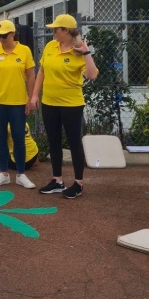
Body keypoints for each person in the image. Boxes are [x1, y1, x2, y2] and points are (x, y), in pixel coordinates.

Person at [31, 14, 98, 199]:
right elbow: (42, 72)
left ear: (66, 31)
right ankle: (57, 180)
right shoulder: (50, 46)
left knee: (74, 142)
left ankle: (78, 183)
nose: (53, 33)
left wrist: (86, 52)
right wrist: (35, 95)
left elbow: (92, 75)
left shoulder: (79, 50)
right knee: (54, 141)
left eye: (56, 30)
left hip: (71, 104)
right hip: (49, 103)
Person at [0, 20, 36, 189]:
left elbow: (31, 76)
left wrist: (31, 98)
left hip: (18, 102)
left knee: (19, 138)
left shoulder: (24, 51)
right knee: (1, 138)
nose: (1, 38)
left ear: (12, 34)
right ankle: (3, 173)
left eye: (4, 35)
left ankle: (21, 174)